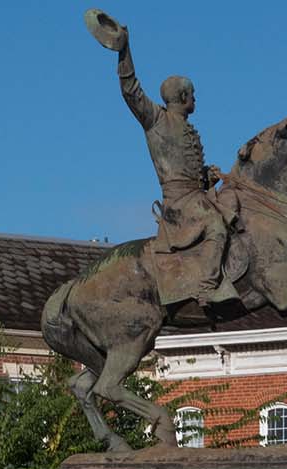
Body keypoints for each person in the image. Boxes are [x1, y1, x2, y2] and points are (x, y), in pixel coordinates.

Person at [87, 10, 237, 309]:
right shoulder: (156, 120)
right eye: (192, 93)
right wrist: (124, 50)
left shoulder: (189, 129)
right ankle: (207, 288)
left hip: (197, 196)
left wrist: (208, 175)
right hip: (180, 204)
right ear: (182, 96)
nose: (196, 98)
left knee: (236, 205)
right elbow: (131, 90)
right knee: (217, 226)